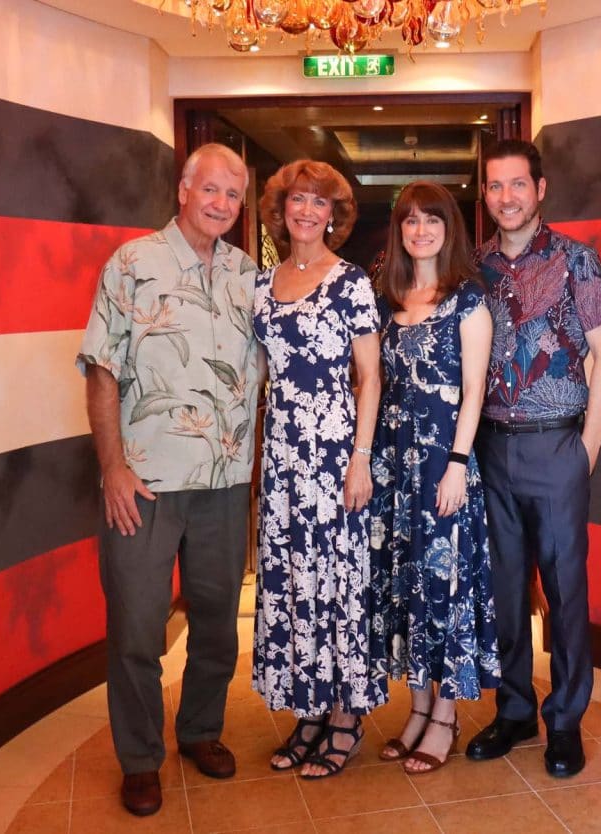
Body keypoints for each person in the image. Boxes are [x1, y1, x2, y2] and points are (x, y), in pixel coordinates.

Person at [77, 143, 258, 816]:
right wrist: (113, 468)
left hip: (225, 481)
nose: (220, 204)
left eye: (232, 195)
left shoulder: (248, 275)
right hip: (145, 482)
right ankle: (140, 758)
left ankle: (201, 732)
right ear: (183, 190)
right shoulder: (132, 263)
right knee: (135, 626)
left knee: (217, 623)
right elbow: (101, 369)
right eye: (210, 189)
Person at [465, 139, 601, 777]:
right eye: (496, 186)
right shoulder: (472, 267)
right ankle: (513, 710)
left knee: (564, 592)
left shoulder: (576, 262)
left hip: (558, 444)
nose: (507, 197)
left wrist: (587, 450)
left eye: (517, 185)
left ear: (541, 188)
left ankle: (565, 721)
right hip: (490, 449)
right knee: (502, 590)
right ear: (486, 194)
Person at [252, 159, 386, 778]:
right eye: (296, 201)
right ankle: (308, 708)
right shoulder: (262, 284)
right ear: (279, 211)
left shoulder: (351, 281)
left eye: (318, 202)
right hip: (282, 457)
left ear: (334, 215)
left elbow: (370, 376)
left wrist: (361, 459)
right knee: (294, 585)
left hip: (335, 456)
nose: (306, 211)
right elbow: (259, 374)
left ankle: (344, 720)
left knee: (336, 583)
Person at [369, 181, 499, 774]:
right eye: (410, 220)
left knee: (443, 588)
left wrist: (455, 464)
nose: (420, 230)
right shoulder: (387, 296)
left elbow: (474, 391)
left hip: (443, 467)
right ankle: (417, 709)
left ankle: (444, 715)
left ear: (450, 229)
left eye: (432, 220)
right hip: (395, 467)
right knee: (406, 588)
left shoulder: (467, 299)